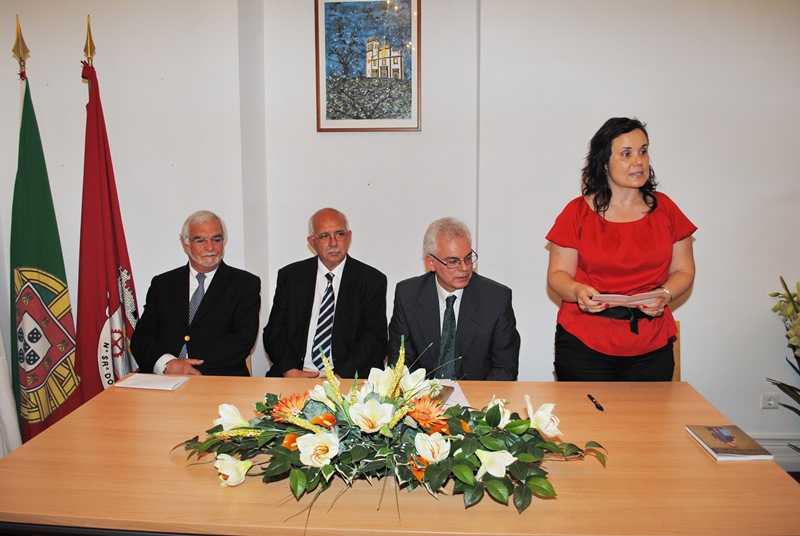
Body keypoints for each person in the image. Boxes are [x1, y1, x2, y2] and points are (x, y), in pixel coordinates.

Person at [546, 117, 696, 381]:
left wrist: (665, 294)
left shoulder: (667, 209)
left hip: (652, 343)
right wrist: (577, 291)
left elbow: (684, 271)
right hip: (584, 342)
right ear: (604, 162)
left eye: (643, 151)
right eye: (626, 154)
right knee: (586, 411)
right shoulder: (576, 212)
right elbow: (558, 275)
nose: (639, 161)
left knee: (648, 411)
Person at [388, 217, 520, 380]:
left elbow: (505, 368)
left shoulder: (496, 299)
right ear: (431, 262)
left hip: (478, 393)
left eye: (468, 258)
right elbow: (400, 362)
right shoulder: (408, 295)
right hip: (423, 393)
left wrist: (474, 396)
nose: (464, 268)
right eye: (453, 261)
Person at [130, 210, 261, 376]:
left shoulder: (245, 284)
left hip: (219, 379)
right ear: (185, 244)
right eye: (200, 240)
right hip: (165, 378)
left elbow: (242, 339)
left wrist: (189, 368)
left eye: (216, 239)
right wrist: (167, 364)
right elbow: (142, 337)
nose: (210, 247)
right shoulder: (163, 284)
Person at [263, 208, 387, 378]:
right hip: (297, 373)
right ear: (312, 242)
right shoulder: (291, 276)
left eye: (340, 234)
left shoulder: (371, 280)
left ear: (349, 237)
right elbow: (274, 332)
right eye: (324, 236)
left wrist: (340, 377)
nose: (333, 243)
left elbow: (374, 339)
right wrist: (291, 371)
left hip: (347, 377)